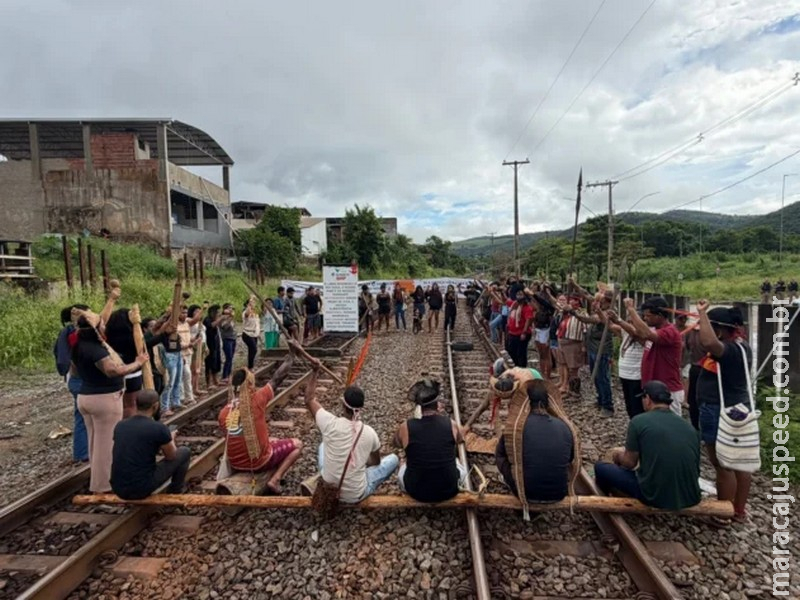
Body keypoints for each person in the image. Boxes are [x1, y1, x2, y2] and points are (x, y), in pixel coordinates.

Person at [72, 310, 149, 493]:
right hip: (104, 399)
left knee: (94, 442)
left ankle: (96, 479)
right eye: (102, 323)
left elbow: (74, 371)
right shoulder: (97, 350)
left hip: (85, 397)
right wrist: (137, 363)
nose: (105, 325)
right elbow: (112, 370)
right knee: (106, 444)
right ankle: (104, 485)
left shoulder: (78, 346)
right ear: (97, 328)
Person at [594, 380, 701, 510]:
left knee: (600, 467)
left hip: (654, 496)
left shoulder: (639, 421)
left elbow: (629, 463)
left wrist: (617, 456)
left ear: (648, 399)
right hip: (691, 496)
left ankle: (609, 499)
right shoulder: (689, 428)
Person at [695, 301, 754, 521]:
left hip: (720, 410)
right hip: (737, 408)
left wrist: (701, 313)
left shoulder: (728, 349)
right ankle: (737, 510)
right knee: (739, 462)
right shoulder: (741, 345)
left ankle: (723, 512)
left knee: (723, 464)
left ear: (719, 329)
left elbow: (709, 341)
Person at [218, 353, 304, 495]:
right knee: (297, 444)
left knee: (273, 440)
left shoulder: (223, 412)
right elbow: (277, 378)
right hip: (258, 462)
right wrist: (292, 355)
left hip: (235, 463)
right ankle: (275, 479)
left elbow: (229, 437)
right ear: (249, 385)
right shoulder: (257, 399)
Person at [304, 374, 398, 502]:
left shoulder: (329, 423)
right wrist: (360, 460)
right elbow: (375, 463)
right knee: (393, 459)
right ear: (361, 409)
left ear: (343, 404)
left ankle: (320, 478)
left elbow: (309, 399)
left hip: (329, 489)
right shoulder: (370, 433)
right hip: (354, 495)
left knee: (323, 445)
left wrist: (315, 371)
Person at [495, 380, 577, 507]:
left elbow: (501, 453)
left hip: (525, 492)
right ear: (546, 402)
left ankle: (512, 483)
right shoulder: (565, 426)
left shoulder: (516, 428)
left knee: (501, 454)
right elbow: (571, 458)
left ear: (527, 402)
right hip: (559, 493)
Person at [394, 379, 467, 502]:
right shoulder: (451, 424)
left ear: (419, 407)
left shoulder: (406, 426)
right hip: (450, 490)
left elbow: (396, 443)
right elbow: (460, 440)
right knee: (457, 461)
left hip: (415, 491)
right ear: (437, 404)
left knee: (402, 463)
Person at [110, 390, 191, 499]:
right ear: (155, 406)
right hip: (141, 488)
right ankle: (175, 491)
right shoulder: (158, 428)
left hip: (118, 488)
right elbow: (171, 456)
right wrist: (170, 439)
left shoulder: (120, 425)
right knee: (184, 452)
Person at [622, 297, 683, 416]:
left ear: (659, 315)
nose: (645, 318)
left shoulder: (669, 332)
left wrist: (631, 309)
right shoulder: (656, 331)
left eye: (648, 315)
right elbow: (639, 333)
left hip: (667, 389)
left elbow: (645, 333)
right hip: (653, 388)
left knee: (669, 425)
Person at [569, 291, 614, 417]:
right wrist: (575, 286)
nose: (598, 303)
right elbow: (587, 296)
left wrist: (573, 312)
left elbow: (588, 320)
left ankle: (607, 405)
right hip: (593, 348)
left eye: (602, 301)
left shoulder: (608, 313)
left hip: (602, 350)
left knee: (603, 378)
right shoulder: (600, 309)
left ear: (608, 301)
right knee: (596, 376)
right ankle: (600, 400)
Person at [54, 303, 90, 462]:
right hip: (80, 379)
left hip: (75, 379)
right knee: (84, 417)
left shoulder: (68, 332)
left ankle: (82, 452)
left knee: (82, 415)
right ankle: (83, 453)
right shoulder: (73, 334)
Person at [105, 308, 146, 418]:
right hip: (133, 373)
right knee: (132, 405)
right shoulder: (133, 337)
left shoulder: (108, 336)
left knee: (120, 405)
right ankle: (130, 429)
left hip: (116, 373)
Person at [607, 309, 646, 419]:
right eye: (628, 317)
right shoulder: (625, 331)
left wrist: (618, 319)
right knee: (629, 404)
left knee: (637, 405)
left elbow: (634, 332)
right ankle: (633, 423)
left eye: (632, 318)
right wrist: (600, 311)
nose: (629, 320)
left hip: (636, 375)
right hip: (625, 374)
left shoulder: (644, 333)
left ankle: (639, 425)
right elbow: (609, 325)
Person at [555, 295, 585, 397]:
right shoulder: (565, 312)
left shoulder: (582, 313)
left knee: (573, 368)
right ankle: (564, 384)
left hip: (573, 343)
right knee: (563, 364)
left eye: (574, 300)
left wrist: (584, 346)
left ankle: (573, 390)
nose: (571, 301)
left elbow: (585, 330)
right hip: (563, 340)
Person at [505, 288, 534, 368]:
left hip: (521, 333)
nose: (518, 296)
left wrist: (524, 332)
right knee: (511, 351)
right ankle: (516, 366)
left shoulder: (527, 308)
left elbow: (529, 320)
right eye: (518, 294)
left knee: (521, 353)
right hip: (512, 333)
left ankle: (521, 368)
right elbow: (505, 300)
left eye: (521, 294)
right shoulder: (514, 304)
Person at [187, 304, 207, 397]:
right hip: (194, 345)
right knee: (193, 369)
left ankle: (196, 388)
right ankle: (191, 389)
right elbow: (194, 321)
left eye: (199, 311)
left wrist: (206, 346)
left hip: (201, 344)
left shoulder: (200, 322)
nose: (199, 313)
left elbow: (203, 334)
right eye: (196, 311)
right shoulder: (188, 320)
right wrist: (202, 310)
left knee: (198, 369)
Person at [203, 305, 223, 389]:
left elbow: (221, 326)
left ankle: (215, 380)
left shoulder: (216, 319)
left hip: (216, 344)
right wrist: (220, 318)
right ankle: (208, 383)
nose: (218, 314)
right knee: (209, 364)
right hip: (209, 344)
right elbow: (211, 325)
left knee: (216, 362)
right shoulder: (207, 319)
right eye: (217, 312)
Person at [241, 296, 260, 370]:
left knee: (252, 350)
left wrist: (258, 333)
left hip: (254, 334)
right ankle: (250, 366)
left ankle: (250, 366)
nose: (253, 304)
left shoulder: (255, 313)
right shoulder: (245, 312)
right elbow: (247, 314)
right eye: (251, 303)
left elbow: (257, 324)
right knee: (254, 349)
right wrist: (250, 302)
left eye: (253, 303)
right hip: (247, 333)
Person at [219, 303, 237, 383]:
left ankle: (229, 374)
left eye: (231, 308)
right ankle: (224, 375)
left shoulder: (232, 318)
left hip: (232, 338)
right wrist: (230, 318)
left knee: (231, 357)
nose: (231, 310)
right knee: (228, 357)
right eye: (229, 308)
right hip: (226, 339)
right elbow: (224, 327)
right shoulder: (222, 318)